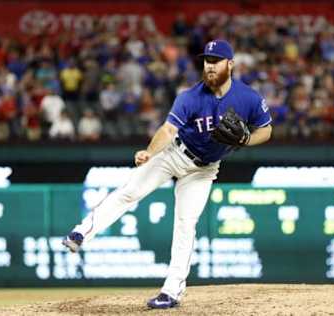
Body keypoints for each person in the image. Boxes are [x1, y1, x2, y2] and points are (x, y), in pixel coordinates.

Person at [62, 39, 273, 309]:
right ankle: (80, 233)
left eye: (215, 61)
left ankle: (171, 292)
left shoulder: (248, 98)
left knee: (186, 225)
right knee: (130, 191)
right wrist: (150, 152)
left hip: (204, 169)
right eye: (206, 61)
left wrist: (246, 141)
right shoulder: (190, 96)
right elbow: (168, 130)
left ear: (230, 64)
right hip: (173, 154)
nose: (209, 66)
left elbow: (266, 130)